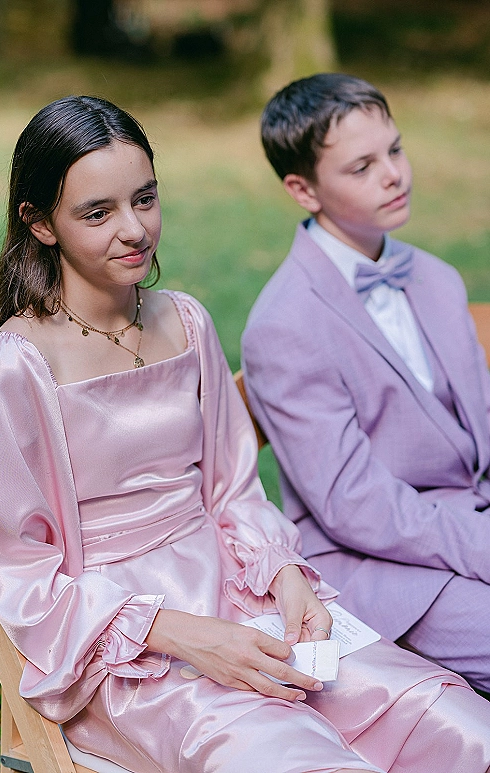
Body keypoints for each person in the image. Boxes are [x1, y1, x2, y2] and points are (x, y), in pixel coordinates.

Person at [0, 95, 490, 773]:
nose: (134, 229)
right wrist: (182, 635)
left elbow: (233, 486)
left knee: (453, 723)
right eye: (98, 213)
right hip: (122, 645)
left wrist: (285, 572)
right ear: (39, 224)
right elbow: (20, 572)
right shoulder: (17, 366)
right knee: (295, 757)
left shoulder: (186, 321)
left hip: (239, 589)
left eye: (145, 199)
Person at [242, 72, 490, 695]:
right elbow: (353, 503)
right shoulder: (285, 325)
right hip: (382, 567)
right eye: (362, 167)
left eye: (395, 151)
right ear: (303, 189)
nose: (394, 175)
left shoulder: (434, 277)